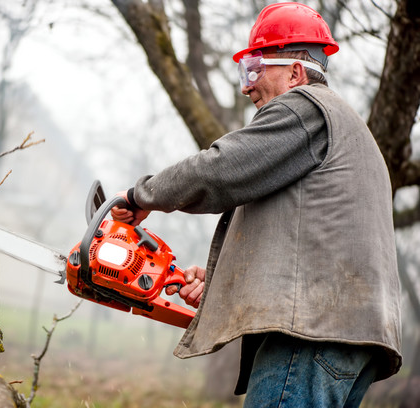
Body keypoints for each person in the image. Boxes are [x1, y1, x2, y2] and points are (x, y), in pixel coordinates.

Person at [111, 2, 402, 407]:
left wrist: (141, 196)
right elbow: (305, 239)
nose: (247, 87)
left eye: (255, 69)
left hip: (309, 335)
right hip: (348, 337)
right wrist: (216, 283)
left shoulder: (306, 109)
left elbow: (220, 169)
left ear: (295, 73)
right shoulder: (341, 129)